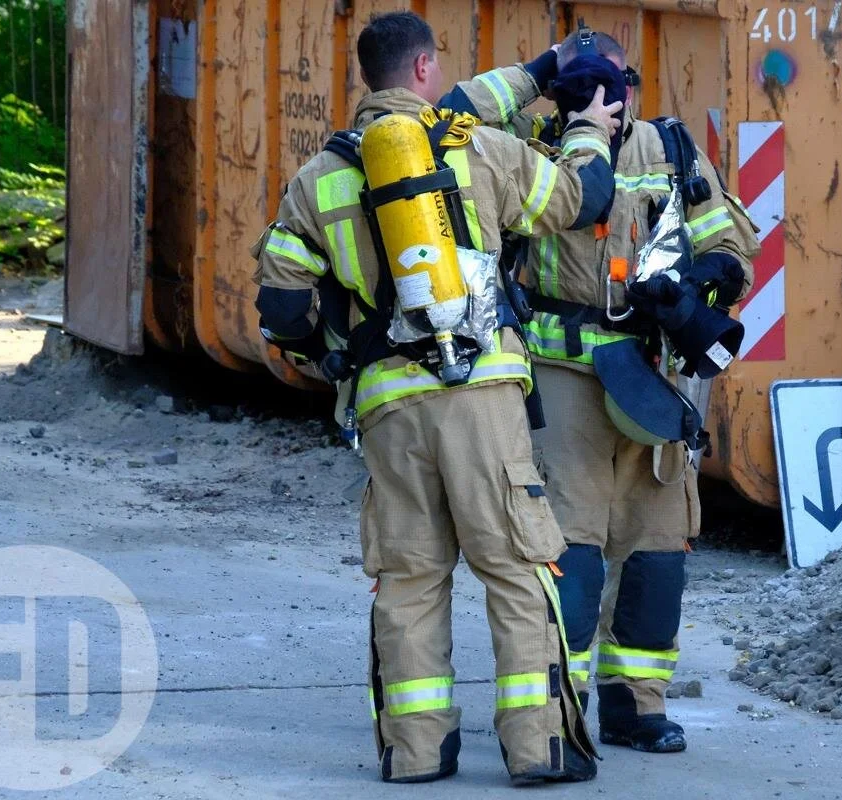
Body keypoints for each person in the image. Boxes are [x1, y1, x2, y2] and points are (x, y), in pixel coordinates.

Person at [250, 11, 624, 786]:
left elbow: (282, 311)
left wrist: (337, 363)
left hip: (388, 404)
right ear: (424, 69)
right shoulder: (477, 147)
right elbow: (582, 201)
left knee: (411, 578)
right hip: (483, 392)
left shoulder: (316, 179)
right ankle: (538, 747)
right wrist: (588, 127)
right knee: (517, 566)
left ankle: (417, 752)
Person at [443, 29, 761, 753]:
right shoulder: (529, 147)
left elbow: (732, 244)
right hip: (563, 376)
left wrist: (699, 285)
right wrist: (538, 79)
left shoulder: (670, 148)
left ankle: (635, 705)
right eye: (585, 81)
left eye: (613, 83)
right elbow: (451, 122)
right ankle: (556, 707)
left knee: (659, 548)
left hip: (654, 374)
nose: (604, 97)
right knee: (570, 548)